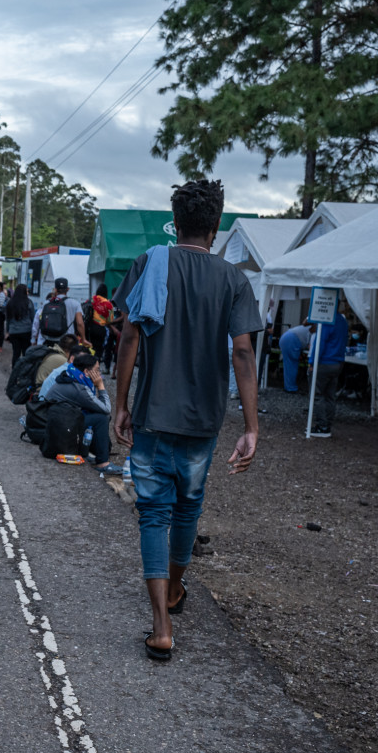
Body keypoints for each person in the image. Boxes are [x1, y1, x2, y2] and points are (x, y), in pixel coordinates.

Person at [112, 178, 262, 662]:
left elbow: (129, 339)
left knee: (153, 512)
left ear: (174, 223)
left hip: (154, 414)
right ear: (216, 226)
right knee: (187, 506)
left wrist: (120, 403)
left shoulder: (148, 264)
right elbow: (242, 351)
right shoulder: (233, 280)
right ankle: (175, 587)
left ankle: (161, 625)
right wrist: (252, 426)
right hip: (203, 420)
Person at [45, 353, 123, 475]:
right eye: (97, 370)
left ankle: (88, 451)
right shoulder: (80, 388)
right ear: (86, 371)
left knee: (95, 414)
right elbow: (106, 408)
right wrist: (101, 386)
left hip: (55, 422)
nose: (99, 374)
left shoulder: (70, 375)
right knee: (102, 418)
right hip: (61, 426)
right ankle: (103, 463)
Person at [310, 307, 349, 437]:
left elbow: (320, 343)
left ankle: (322, 426)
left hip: (324, 362)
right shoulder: (342, 321)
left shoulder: (326, 320)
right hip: (337, 362)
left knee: (318, 395)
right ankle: (327, 425)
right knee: (330, 395)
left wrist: (312, 362)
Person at [32, 277, 87, 345]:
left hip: (49, 339)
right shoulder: (75, 303)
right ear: (67, 289)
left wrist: (34, 339)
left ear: (55, 289)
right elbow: (80, 323)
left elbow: (40, 321)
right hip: (67, 341)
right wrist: (83, 339)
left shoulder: (46, 303)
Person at [5, 284, 35, 366]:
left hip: (14, 332)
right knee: (26, 353)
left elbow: (8, 319)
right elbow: (33, 318)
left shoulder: (10, 303)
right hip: (26, 331)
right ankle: (24, 374)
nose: (28, 292)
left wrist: (8, 332)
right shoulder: (29, 302)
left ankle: (14, 374)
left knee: (16, 353)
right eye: (27, 291)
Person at [279, 322, 313, 393]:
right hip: (292, 339)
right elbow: (311, 346)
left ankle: (289, 386)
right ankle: (290, 388)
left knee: (289, 365)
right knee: (291, 365)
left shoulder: (311, 327)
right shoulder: (316, 330)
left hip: (287, 337)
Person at [84, 285, 113, 357]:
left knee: (88, 348)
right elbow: (110, 320)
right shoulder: (108, 304)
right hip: (100, 329)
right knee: (98, 350)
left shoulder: (91, 299)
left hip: (88, 327)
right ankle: (96, 364)